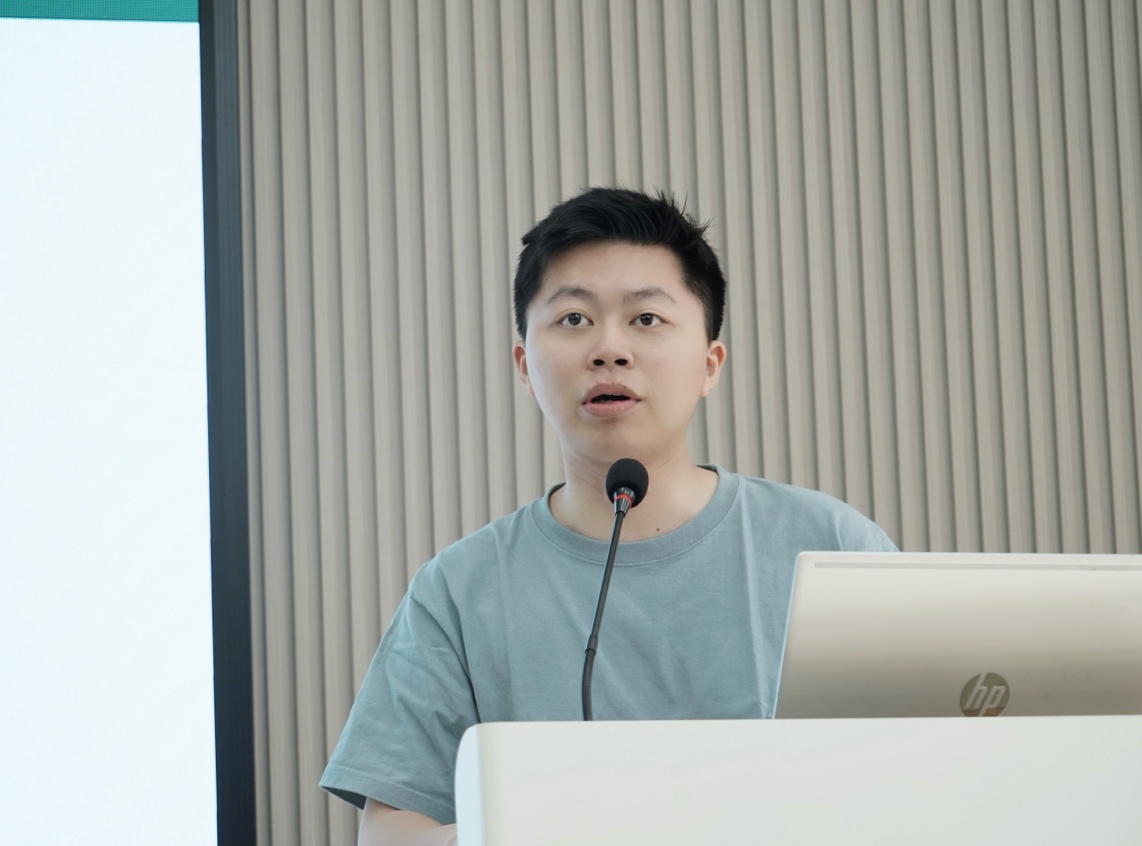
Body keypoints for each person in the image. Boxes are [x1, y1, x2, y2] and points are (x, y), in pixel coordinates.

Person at [320, 187, 896, 845]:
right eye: (573, 319)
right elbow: (391, 831)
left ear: (709, 364)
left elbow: (931, 773)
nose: (609, 349)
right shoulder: (457, 591)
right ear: (524, 367)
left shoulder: (832, 546)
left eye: (646, 318)